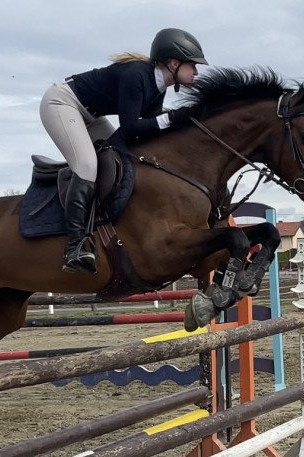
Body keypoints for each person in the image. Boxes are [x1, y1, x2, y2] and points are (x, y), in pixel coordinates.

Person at [40, 28, 208, 274]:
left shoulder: (158, 85)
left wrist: (181, 124)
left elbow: (147, 128)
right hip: (61, 103)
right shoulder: (137, 75)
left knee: (120, 156)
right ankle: (75, 246)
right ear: (173, 63)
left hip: (90, 114)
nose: (195, 71)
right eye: (192, 65)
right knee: (87, 165)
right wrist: (173, 118)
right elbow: (130, 127)